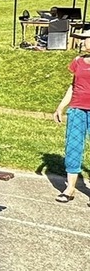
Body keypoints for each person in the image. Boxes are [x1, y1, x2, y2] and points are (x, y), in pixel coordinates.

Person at [53, 52, 90, 203]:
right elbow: (73, 86)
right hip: (77, 109)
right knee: (73, 147)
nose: (84, 42)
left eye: (86, 38)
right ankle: (70, 188)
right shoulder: (78, 61)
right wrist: (60, 107)